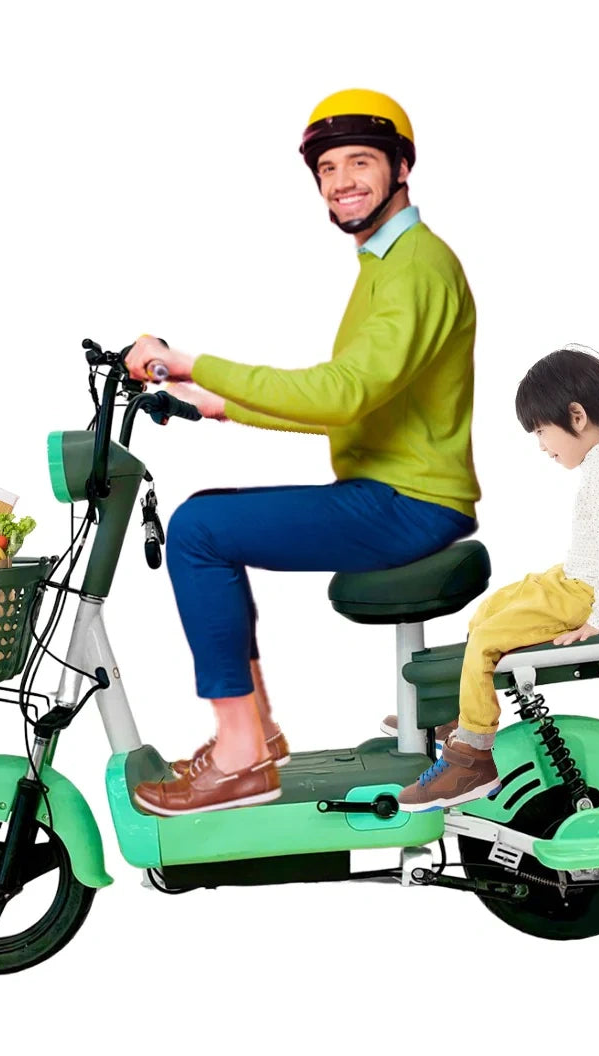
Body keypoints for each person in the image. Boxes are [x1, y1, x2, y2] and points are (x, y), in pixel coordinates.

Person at [124, 89, 481, 816]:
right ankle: (252, 732)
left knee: (197, 530)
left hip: (408, 503)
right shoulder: (386, 263)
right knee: (208, 522)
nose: (343, 180)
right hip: (393, 492)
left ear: (401, 166)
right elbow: (358, 403)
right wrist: (223, 406)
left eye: (360, 162)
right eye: (328, 168)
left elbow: (343, 393)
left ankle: (241, 753)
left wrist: (195, 364)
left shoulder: (415, 266)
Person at [398, 346, 599, 810]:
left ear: (576, 416)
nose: (542, 446)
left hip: (591, 593)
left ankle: (472, 761)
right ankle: (470, 717)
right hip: (576, 579)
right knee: (489, 612)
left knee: (486, 640)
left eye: (542, 431)